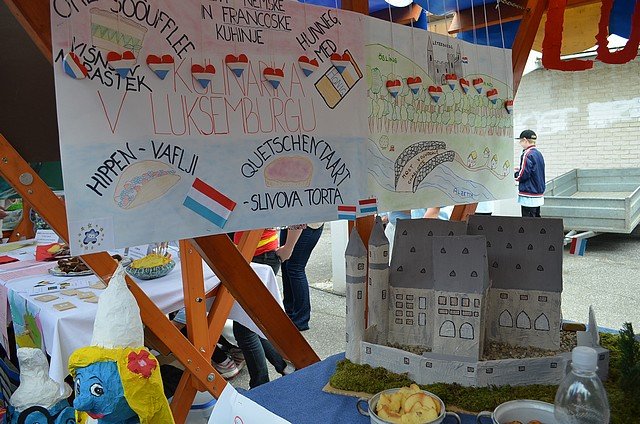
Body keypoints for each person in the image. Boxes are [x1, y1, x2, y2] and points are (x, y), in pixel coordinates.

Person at [231, 227, 300, 388]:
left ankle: (260, 385)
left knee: (244, 329)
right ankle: (285, 366)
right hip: (250, 255)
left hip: (261, 256)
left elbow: (300, 217)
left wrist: (289, 248)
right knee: (251, 323)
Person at [280, 223, 324, 331]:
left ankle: (300, 319)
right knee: (287, 265)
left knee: (295, 268)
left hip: (303, 225)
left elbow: (297, 219)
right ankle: (290, 313)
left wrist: (288, 247)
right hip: (293, 224)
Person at [514, 129, 545, 217]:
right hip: (538, 193)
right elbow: (535, 170)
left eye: (520, 141)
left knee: (527, 222)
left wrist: (515, 174)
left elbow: (523, 175)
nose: (520, 143)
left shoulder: (527, 154)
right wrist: (521, 169)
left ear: (525, 140)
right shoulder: (538, 154)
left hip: (528, 194)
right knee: (536, 220)